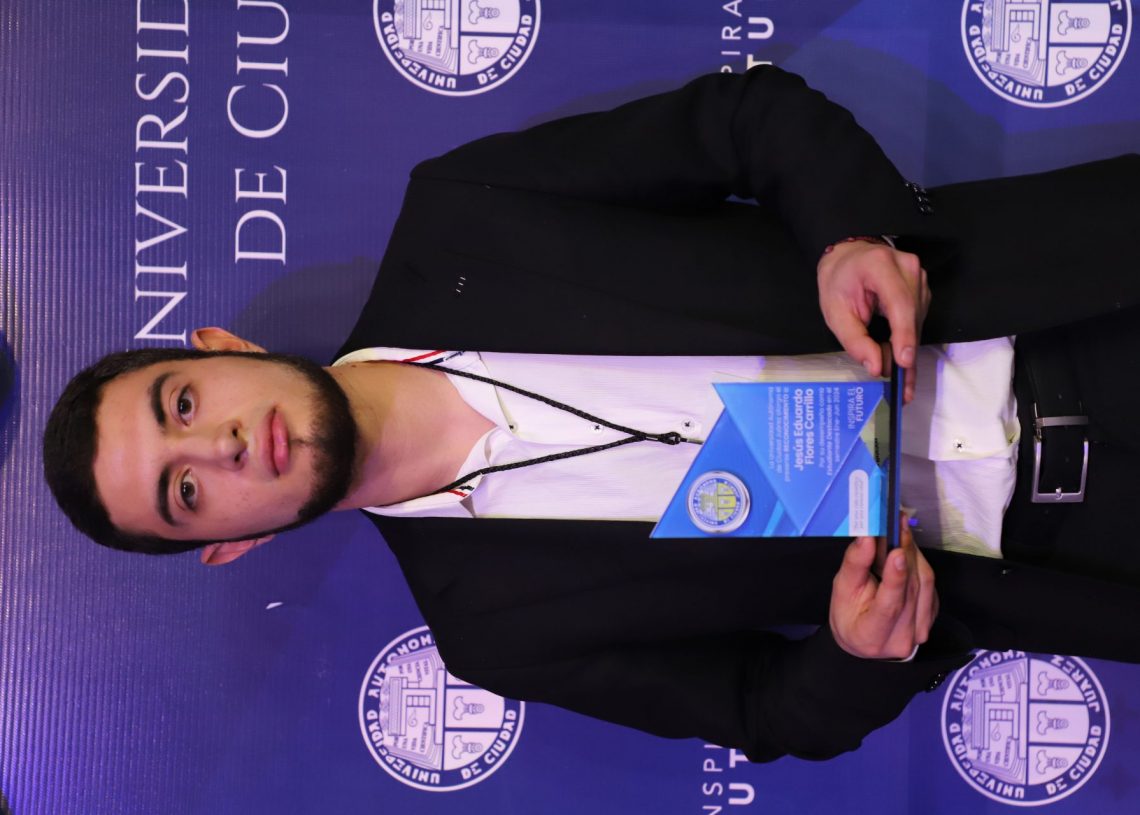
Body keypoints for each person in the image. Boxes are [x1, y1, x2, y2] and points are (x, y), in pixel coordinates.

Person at [43, 66, 1140, 762]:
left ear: (224, 352)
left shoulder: (462, 217)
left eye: (182, 404)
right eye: (186, 489)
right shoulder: (495, 631)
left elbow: (742, 121)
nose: (223, 445)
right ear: (229, 543)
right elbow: (762, 709)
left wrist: (850, 236)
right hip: (1074, 561)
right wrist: (855, 655)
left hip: (1073, 299)